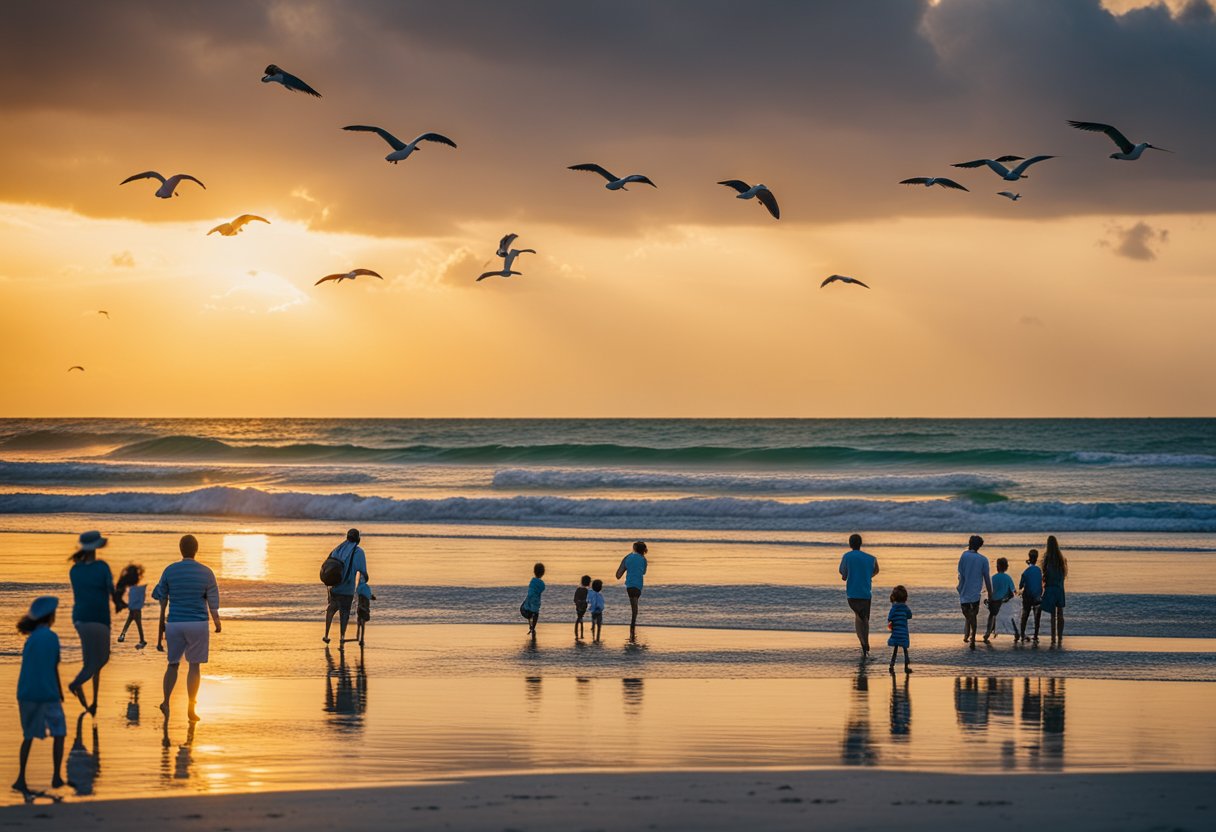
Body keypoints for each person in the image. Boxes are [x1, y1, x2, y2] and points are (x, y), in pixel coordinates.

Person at [152, 535, 221, 722]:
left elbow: (159, 593)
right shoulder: (206, 572)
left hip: (175, 623)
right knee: (194, 666)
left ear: (180, 549)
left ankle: (166, 701)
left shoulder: (170, 570)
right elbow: (213, 602)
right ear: (196, 549)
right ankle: (191, 707)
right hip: (197, 623)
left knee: (172, 664)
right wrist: (217, 623)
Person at [13, 596, 66, 794]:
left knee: (28, 736)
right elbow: (54, 667)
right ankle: (56, 777)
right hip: (47, 692)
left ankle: (20, 778)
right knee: (59, 732)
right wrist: (60, 692)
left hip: (26, 692)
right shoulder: (51, 637)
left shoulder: (31, 638)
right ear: (49, 617)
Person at [67, 530, 116, 714]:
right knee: (101, 659)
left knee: (90, 663)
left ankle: (94, 702)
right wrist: (121, 602)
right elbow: (111, 592)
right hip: (99, 618)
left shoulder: (74, 570)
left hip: (80, 619)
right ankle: (76, 684)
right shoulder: (102, 567)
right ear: (96, 547)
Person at [323, 529, 369, 650]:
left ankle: (326, 635)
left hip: (335, 588)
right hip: (347, 590)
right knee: (344, 614)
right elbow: (364, 572)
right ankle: (342, 638)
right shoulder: (359, 552)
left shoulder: (338, 549)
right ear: (358, 539)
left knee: (331, 610)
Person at [838, 533, 879, 657]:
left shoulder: (847, 556)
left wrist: (846, 576)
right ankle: (865, 643)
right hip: (866, 593)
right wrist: (868, 576)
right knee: (864, 618)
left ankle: (863, 644)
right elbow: (876, 570)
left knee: (858, 617)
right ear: (860, 544)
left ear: (850, 544)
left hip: (852, 593)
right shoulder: (871, 558)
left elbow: (843, 573)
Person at [956, 535, 992, 647]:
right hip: (975, 593)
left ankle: (972, 638)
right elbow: (987, 578)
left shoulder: (964, 555)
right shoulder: (983, 559)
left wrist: (960, 586)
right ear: (979, 546)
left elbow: (960, 573)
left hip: (964, 591)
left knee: (968, 614)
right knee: (973, 615)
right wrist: (990, 594)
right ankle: (972, 636)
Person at [615, 541, 649, 635]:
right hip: (639, 586)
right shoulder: (644, 560)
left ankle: (632, 626)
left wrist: (626, 563)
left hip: (630, 585)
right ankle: (633, 626)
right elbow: (643, 572)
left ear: (634, 548)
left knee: (634, 608)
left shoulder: (628, 558)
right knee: (635, 606)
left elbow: (618, 575)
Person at [1040, 535, 1068, 645]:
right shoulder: (1062, 559)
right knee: (1060, 614)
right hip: (1060, 588)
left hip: (1050, 588)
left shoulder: (1046, 558)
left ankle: (1053, 638)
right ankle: (1060, 637)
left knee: (1053, 615)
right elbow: (1064, 574)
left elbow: (1044, 574)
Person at [983, 557, 1016, 642]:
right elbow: (1013, 591)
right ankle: (1016, 633)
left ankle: (987, 632)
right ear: (1006, 567)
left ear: (997, 567)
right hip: (1003, 603)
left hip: (994, 603)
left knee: (991, 615)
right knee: (1011, 616)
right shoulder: (1008, 578)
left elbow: (989, 590)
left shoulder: (993, 578)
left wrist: (989, 600)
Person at [115, 563, 148, 648]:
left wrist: (127, 605)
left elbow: (132, 601)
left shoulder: (133, 589)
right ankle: (140, 639)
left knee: (131, 623)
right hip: (136, 609)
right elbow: (141, 600)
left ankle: (124, 636)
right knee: (135, 623)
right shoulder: (137, 589)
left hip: (133, 609)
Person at [1018, 549, 1044, 642]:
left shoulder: (1026, 571)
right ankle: (1036, 635)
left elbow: (1020, 586)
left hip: (1028, 597)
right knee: (1037, 616)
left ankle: (1022, 634)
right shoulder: (1039, 570)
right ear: (1036, 559)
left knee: (1025, 614)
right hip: (1037, 596)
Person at [886, 585, 912, 674]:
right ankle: (906, 666)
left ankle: (892, 664)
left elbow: (889, 618)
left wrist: (891, 623)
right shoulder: (905, 608)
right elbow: (910, 615)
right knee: (905, 649)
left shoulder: (894, 608)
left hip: (896, 631)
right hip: (904, 632)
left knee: (895, 649)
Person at [520, 562, 545, 636]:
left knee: (524, 606)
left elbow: (530, 593)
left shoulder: (532, 581)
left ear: (534, 572)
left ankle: (531, 627)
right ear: (543, 573)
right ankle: (533, 627)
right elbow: (542, 588)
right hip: (535, 606)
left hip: (527, 608)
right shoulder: (542, 584)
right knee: (536, 614)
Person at [352, 579, 375, 647]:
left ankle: (359, 638)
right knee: (362, 625)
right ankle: (361, 639)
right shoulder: (366, 590)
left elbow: (359, 602)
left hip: (361, 610)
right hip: (363, 610)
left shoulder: (360, 591)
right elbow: (372, 597)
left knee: (359, 625)